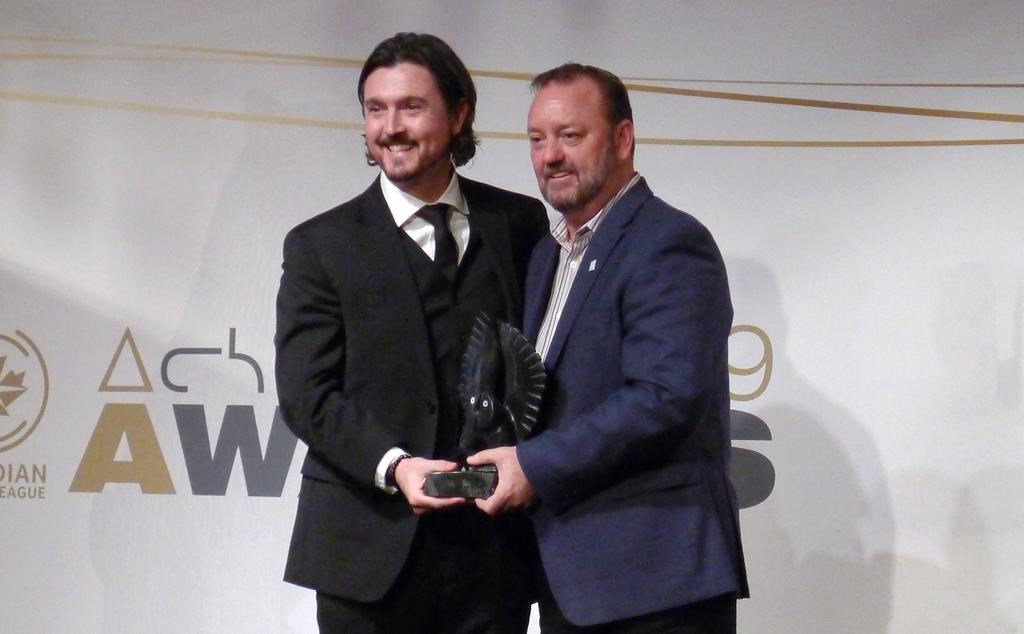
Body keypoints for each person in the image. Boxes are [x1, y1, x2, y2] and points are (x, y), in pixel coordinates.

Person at [274, 33, 548, 633]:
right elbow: (306, 393)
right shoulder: (321, 245)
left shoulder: (519, 223)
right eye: (376, 109)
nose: (391, 127)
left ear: (459, 115)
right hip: (368, 551)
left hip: (494, 555)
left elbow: (543, 363)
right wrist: (396, 466)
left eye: (411, 107)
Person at [469, 63, 749, 632]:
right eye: (537, 139)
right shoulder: (547, 255)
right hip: (573, 579)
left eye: (570, 136)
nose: (550, 156)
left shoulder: (669, 242)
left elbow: (664, 398)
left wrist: (532, 465)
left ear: (623, 139)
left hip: (656, 583)